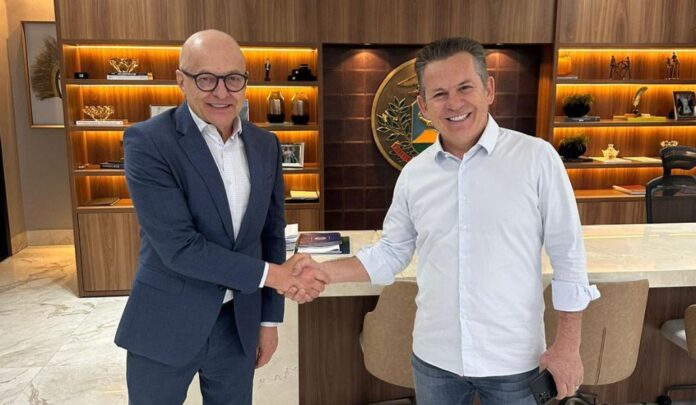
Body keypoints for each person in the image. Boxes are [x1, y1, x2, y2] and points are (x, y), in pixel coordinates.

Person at [290, 37, 600, 404]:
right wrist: (323, 272)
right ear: (423, 105)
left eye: (464, 87)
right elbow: (391, 252)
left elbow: (568, 255)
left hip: (516, 362)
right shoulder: (414, 174)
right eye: (439, 94)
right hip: (436, 362)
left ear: (488, 89)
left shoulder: (536, 159)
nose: (454, 103)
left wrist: (568, 346)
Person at [114, 29, 327, 405]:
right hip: (166, 324)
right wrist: (276, 276)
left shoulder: (265, 145)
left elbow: (270, 234)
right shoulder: (148, 142)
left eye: (233, 78)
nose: (222, 92)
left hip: (238, 324)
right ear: (181, 80)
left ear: (246, 81)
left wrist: (268, 321)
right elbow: (180, 248)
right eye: (206, 79)